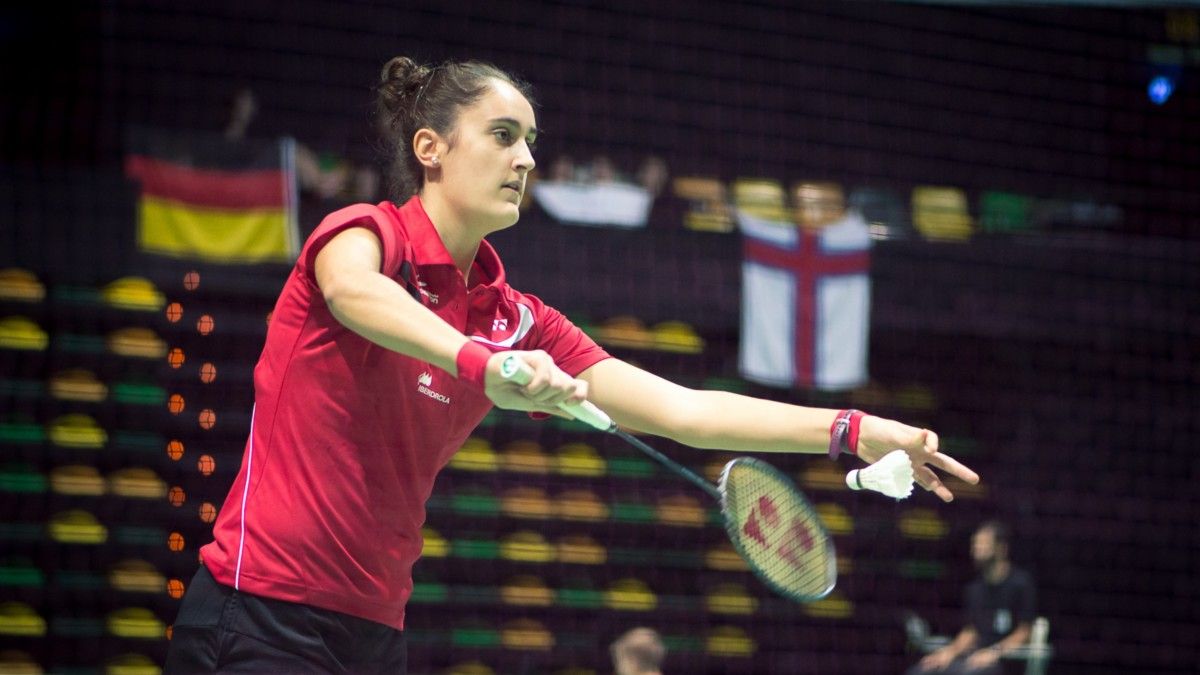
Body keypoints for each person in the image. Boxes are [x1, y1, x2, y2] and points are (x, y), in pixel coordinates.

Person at [163, 55, 980, 674]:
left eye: (531, 143)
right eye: (503, 135)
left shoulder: (518, 316)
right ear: (431, 147)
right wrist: (484, 365)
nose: (524, 159)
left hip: (377, 629)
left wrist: (855, 428)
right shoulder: (363, 232)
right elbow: (352, 296)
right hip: (259, 611)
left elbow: (681, 410)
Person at [908, 521, 1037, 675]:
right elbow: (971, 631)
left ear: (1001, 548)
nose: (976, 548)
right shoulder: (974, 589)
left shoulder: (1020, 583)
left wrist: (994, 652)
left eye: (983, 543)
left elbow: (1024, 632)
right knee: (921, 671)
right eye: (975, 544)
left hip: (1006, 660)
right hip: (975, 657)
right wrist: (949, 652)